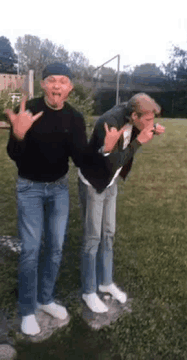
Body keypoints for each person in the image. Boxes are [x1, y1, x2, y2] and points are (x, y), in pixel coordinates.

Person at [4, 62, 124, 336]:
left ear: (70, 87)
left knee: (56, 248)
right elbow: (15, 154)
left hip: (58, 189)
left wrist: (105, 151)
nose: (57, 86)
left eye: (63, 81)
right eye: (52, 80)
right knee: (32, 250)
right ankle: (26, 310)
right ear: (44, 84)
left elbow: (81, 159)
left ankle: (45, 299)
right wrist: (18, 135)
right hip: (30, 188)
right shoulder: (30, 109)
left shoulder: (74, 118)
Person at [78, 93, 165, 313]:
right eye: (146, 119)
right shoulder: (109, 124)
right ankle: (88, 291)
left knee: (108, 233)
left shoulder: (133, 115)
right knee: (92, 238)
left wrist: (152, 129)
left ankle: (105, 282)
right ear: (133, 115)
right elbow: (111, 162)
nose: (149, 123)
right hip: (94, 182)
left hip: (111, 182)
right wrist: (138, 143)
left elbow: (137, 130)